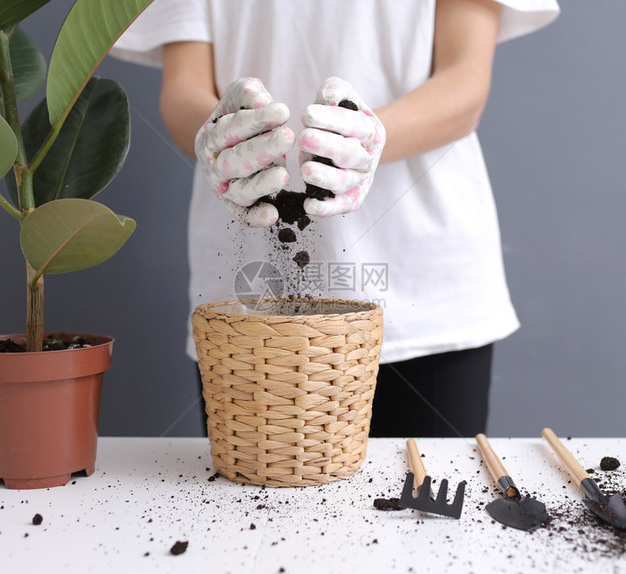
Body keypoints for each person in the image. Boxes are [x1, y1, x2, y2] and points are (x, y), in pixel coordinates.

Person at [111, 0, 560, 437]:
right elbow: (183, 87)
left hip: (425, 290)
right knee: (254, 501)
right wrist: (221, 138)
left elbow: (466, 79)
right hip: (249, 291)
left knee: (425, 504)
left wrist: (371, 138)